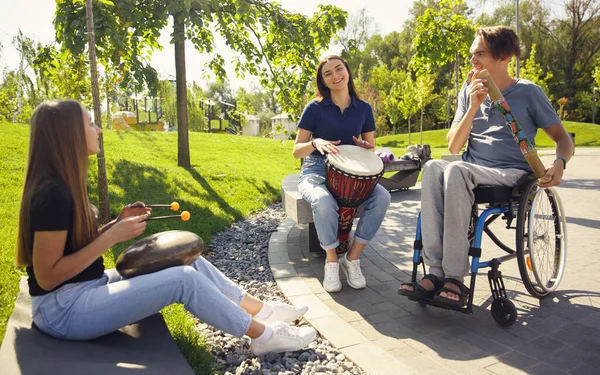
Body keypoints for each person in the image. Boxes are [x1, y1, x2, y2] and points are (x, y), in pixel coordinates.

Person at [16, 100, 316, 355]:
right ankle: (264, 336)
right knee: (181, 279)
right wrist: (111, 239)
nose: (98, 130)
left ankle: (261, 310)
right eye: (91, 124)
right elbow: (48, 275)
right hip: (61, 311)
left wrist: (115, 224)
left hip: (85, 289)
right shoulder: (52, 195)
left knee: (187, 260)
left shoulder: (65, 185)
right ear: (68, 135)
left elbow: (74, 245)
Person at [398, 26, 574, 307]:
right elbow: (454, 147)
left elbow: (562, 138)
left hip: (511, 173)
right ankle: (435, 271)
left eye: (479, 53)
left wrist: (560, 163)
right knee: (432, 167)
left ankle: (455, 277)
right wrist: (472, 105)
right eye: (471, 54)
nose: (472, 60)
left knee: (456, 170)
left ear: (504, 56)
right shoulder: (468, 92)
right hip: (471, 168)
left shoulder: (528, 92)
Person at [293, 55, 391, 293]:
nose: (335, 75)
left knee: (383, 197)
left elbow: (370, 147)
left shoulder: (364, 108)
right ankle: (332, 261)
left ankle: (353, 258)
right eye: (328, 73)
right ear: (323, 81)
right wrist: (316, 142)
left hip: (353, 173)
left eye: (339, 69)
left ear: (347, 72)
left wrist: (365, 148)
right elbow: (297, 151)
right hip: (316, 168)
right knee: (324, 202)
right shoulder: (314, 108)